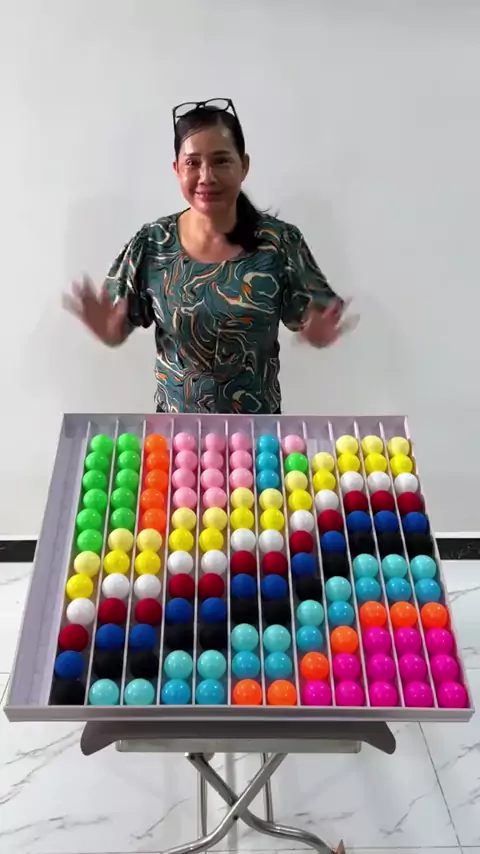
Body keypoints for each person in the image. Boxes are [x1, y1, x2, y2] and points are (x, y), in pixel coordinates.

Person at [65, 98, 353, 414]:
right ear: (177, 170)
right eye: (192, 163)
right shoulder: (153, 243)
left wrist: (318, 334)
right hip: (176, 436)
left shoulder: (280, 243)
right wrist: (108, 331)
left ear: (244, 165)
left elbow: (315, 319)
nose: (206, 176)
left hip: (259, 434)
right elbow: (116, 326)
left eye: (221, 161)